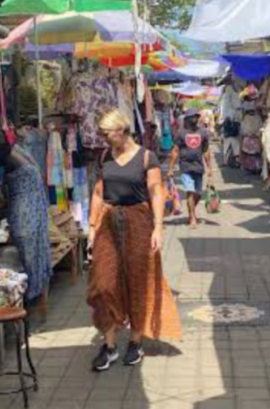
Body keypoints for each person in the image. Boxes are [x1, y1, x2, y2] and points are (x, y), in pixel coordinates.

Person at [87, 110, 181, 372]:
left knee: (138, 282)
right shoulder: (105, 157)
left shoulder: (146, 157)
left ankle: (135, 341)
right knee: (103, 284)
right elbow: (98, 193)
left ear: (121, 130)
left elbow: (156, 192)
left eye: (106, 133)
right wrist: (92, 226)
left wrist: (158, 228)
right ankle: (109, 346)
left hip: (139, 222)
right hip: (108, 222)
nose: (103, 138)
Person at [168, 111, 211, 227]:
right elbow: (175, 150)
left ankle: (191, 211)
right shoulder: (181, 133)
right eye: (191, 117)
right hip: (185, 167)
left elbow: (206, 150)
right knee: (190, 191)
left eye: (196, 117)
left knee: (198, 193)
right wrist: (171, 168)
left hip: (199, 167)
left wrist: (209, 167)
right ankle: (192, 217)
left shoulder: (203, 132)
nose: (194, 119)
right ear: (186, 119)